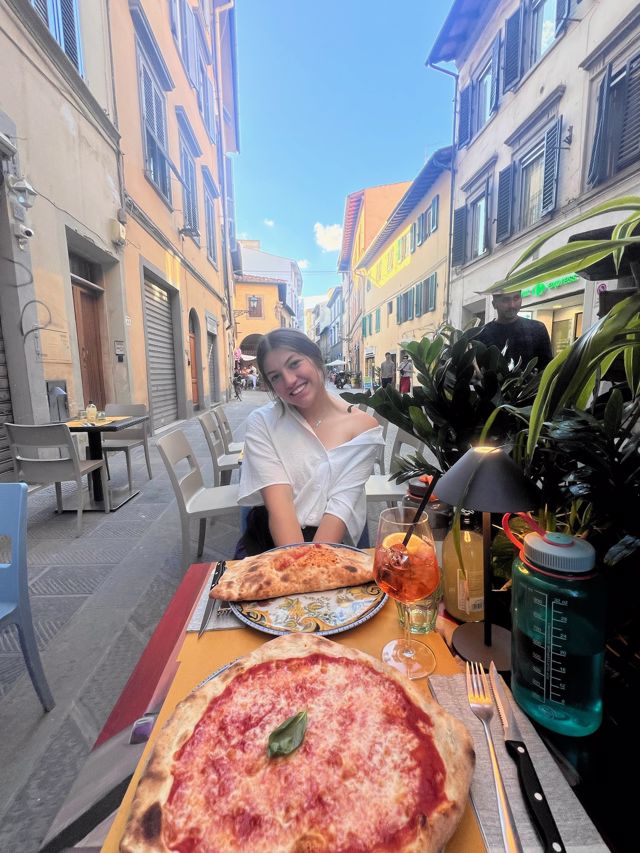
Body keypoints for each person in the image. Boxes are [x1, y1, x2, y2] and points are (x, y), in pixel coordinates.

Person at [236, 329, 384, 557]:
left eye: (294, 363)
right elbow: (280, 509)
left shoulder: (363, 427)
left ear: (316, 358)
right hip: (275, 540)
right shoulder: (263, 422)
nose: (289, 381)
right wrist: (298, 567)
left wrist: (311, 567)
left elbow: (341, 507)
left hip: (334, 540)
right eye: (275, 377)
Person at [476, 291, 553, 369]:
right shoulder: (481, 334)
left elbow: (547, 367)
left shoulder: (537, 329)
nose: (512, 305)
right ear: (494, 304)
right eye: (505, 300)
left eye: (516, 298)